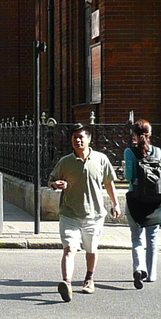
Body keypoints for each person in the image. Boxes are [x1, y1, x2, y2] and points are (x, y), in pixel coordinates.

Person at [48, 124, 120, 301]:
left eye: (81, 137)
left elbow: (109, 182)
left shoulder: (101, 159)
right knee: (69, 249)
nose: (78, 140)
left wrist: (116, 203)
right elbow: (51, 180)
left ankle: (89, 278)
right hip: (69, 213)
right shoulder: (65, 162)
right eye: (75, 138)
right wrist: (56, 184)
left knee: (91, 249)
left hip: (94, 214)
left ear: (89, 139)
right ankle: (67, 283)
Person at [123, 119, 161, 288]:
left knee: (137, 238)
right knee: (153, 237)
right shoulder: (158, 151)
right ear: (150, 134)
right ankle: (152, 274)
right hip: (155, 201)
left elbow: (128, 177)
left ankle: (139, 268)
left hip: (136, 199)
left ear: (134, 134)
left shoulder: (130, 152)